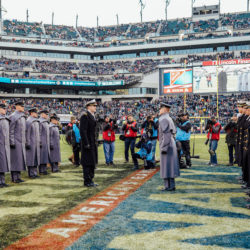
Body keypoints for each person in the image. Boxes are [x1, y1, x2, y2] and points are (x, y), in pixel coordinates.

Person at [159, 102, 179, 191]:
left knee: (166, 165)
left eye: (160, 108)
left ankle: (168, 186)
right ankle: (171, 185)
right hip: (171, 142)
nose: (159, 110)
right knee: (170, 165)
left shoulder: (163, 119)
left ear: (164, 109)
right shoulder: (168, 118)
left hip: (167, 143)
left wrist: (164, 147)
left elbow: (166, 134)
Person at [80, 99, 98, 187]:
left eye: (95, 106)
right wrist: (86, 143)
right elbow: (83, 131)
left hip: (92, 142)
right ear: (88, 107)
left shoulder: (92, 115)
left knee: (92, 162)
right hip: (87, 144)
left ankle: (91, 179)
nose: (95, 107)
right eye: (93, 106)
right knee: (87, 162)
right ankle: (87, 181)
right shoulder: (85, 116)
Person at [9, 101, 26, 183]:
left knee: (20, 160)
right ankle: (14, 178)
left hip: (21, 141)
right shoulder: (13, 116)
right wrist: (12, 142)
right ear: (17, 107)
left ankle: (18, 177)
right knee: (15, 160)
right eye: (21, 106)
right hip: (15, 141)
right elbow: (11, 130)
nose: (23, 108)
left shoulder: (22, 116)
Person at [26, 108, 40, 178]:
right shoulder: (29, 121)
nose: (37, 114)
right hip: (31, 143)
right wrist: (27, 143)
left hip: (36, 143)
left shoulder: (36, 121)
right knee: (31, 159)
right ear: (31, 113)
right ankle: (31, 174)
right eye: (35, 113)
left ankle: (35, 173)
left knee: (35, 159)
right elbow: (27, 133)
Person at [0, 103, 10, 187]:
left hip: (4, 145)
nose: (5, 110)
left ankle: (2, 182)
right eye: (3, 109)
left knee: (3, 164)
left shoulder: (5, 119)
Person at [39, 110, 50, 175]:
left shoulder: (45, 122)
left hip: (46, 141)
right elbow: (39, 133)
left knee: (45, 156)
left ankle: (44, 169)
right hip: (42, 141)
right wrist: (39, 141)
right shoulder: (40, 121)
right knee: (41, 156)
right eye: (46, 114)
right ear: (42, 114)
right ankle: (41, 170)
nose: (47, 115)